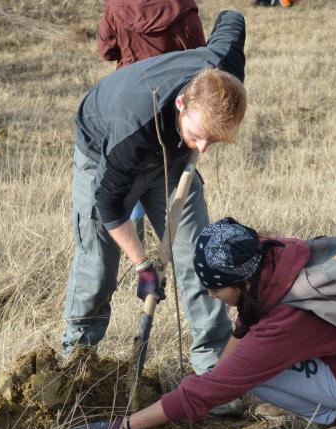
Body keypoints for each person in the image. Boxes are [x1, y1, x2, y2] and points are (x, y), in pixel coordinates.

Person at [66, 218, 336, 429]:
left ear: (242, 283)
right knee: (240, 368)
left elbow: (204, 394)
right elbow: (248, 322)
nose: (209, 295)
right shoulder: (274, 254)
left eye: (214, 288)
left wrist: (122, 427)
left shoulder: (287, 320)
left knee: (258, 378)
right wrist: (218, 374)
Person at [63, 11, 247, 384]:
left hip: (171, 158)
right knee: (98, 262)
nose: (206, 148)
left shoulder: (223, 70)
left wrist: (193, 140)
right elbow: (109, 205)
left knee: (199, 254)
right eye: (201, 136)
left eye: (215, 139)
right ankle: (77, 365)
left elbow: (232, 19)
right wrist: (143, 264)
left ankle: (213, 367)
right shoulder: (132, 127)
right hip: (105, 152)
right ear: (182, 104)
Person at [98, 0, 207, 242]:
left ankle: (134, 244)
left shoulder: (116, 6)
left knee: (128, 173)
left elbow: (106, 50)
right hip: (173, 110)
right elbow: (202, 59)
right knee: (175, 173)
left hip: (128, 104)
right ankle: (176, 243)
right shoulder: (185, 9)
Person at [98, 0, 206, 70]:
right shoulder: (184, 6)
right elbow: (201, 57)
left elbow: (106, 52)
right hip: (177, 91)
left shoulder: (115, 6)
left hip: (131, 86)